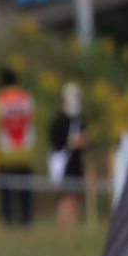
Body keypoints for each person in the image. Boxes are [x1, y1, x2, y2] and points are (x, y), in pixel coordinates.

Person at [0, 68, 36, 226]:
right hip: (25, 152)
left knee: (5, 194)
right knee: (25, 193)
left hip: (5, 154)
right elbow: (32, 124)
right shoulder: (27, 98)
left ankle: (8, 222)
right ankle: (26, 221)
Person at [49, 82, 87, 227]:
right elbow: (56, 142)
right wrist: (72, 142)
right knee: (67, 196)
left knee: (75, 196)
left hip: (76, 163)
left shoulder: (79, 121)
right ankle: (64, 225)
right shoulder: (58, 122)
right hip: (64, 164)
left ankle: (72, 225)